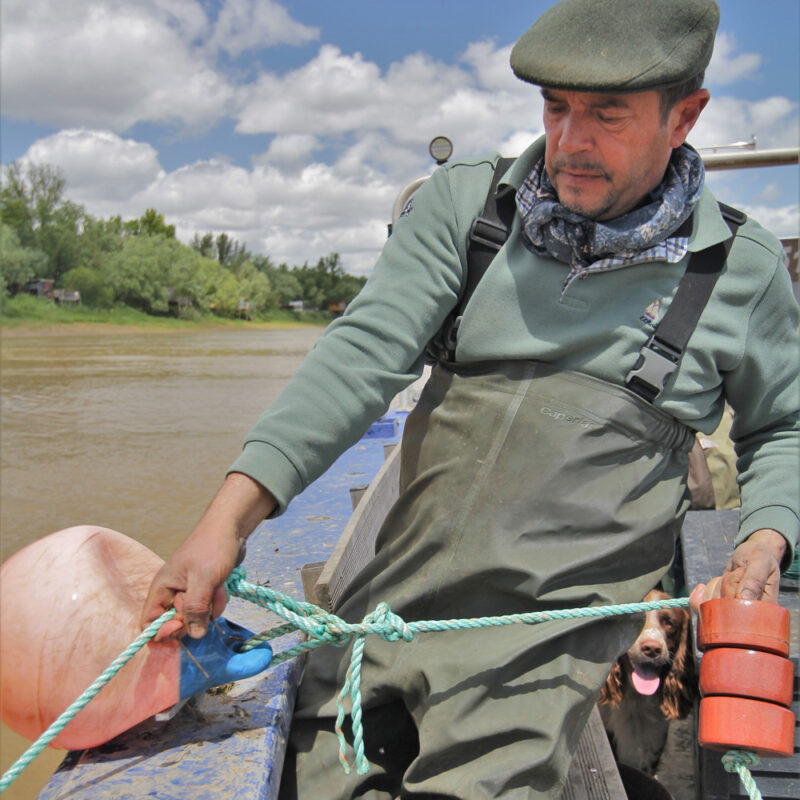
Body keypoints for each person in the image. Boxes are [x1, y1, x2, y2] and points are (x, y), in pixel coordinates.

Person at [142, 0, 799, 797]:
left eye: (607, 115)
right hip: (387, 612)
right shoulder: (466, 208)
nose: (569, 143)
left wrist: (764, 541)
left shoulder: (740, 271)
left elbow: (783, 426)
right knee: (316, 773)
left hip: (542, 657)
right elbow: (357, 358)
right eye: (556, 109)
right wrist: (225, 523)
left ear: (684, 116)